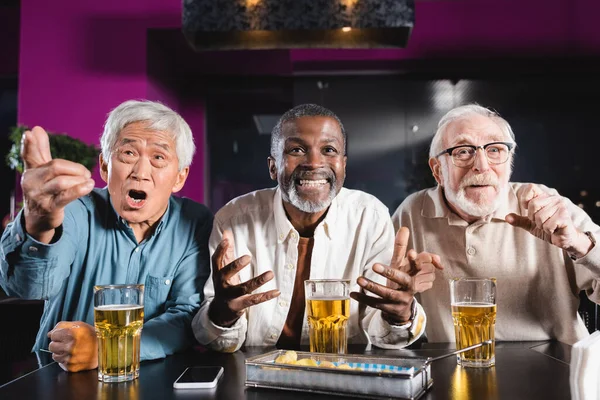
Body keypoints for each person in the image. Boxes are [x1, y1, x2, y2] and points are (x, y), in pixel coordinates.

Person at [192, 103, 442, 353]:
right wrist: (223, 314)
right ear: (272, 167)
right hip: (257, 378)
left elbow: (382, 335)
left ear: (343, 166)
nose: (313, 162)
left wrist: (400, 314)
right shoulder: (233, 220)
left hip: (344, 378)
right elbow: (218, 341)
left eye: (328, 149)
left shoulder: (370, 217)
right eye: (297, 149)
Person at [0, 100, 212, 371]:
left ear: (179, 177)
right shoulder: (74, 209)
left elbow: (186, 316)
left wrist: (111, 348)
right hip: (59, 378)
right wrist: (39, 224)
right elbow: (28, 288)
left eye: (158, 158)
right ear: (104, 166)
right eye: (128, 153)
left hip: (150, 379)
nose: (140, 172)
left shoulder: (194, 222)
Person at [392, 103, 600, 345]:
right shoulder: (412, 212)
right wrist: (399, 305)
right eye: (462, 151)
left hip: (558, 370)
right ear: (438, 170)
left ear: (509, 161)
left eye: (495, 150)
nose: (481, 165)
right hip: (455, 369)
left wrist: (577, 243)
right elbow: (389, 311)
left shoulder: (546, 204)